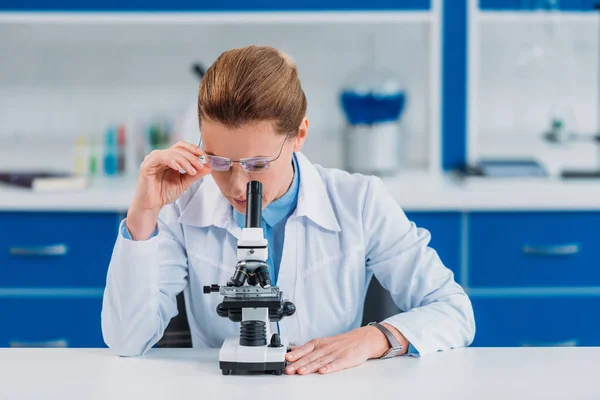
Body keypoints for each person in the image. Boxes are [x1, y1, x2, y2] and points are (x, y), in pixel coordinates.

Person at [101, 45, 475, 375]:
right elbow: (126, 340)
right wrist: (144, 212)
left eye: (256, 164)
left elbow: (454, 310)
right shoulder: (182, 206)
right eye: (218, 161)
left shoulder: (359, 201)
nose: (234, 186)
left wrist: (374, 338)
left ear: (299, 135)